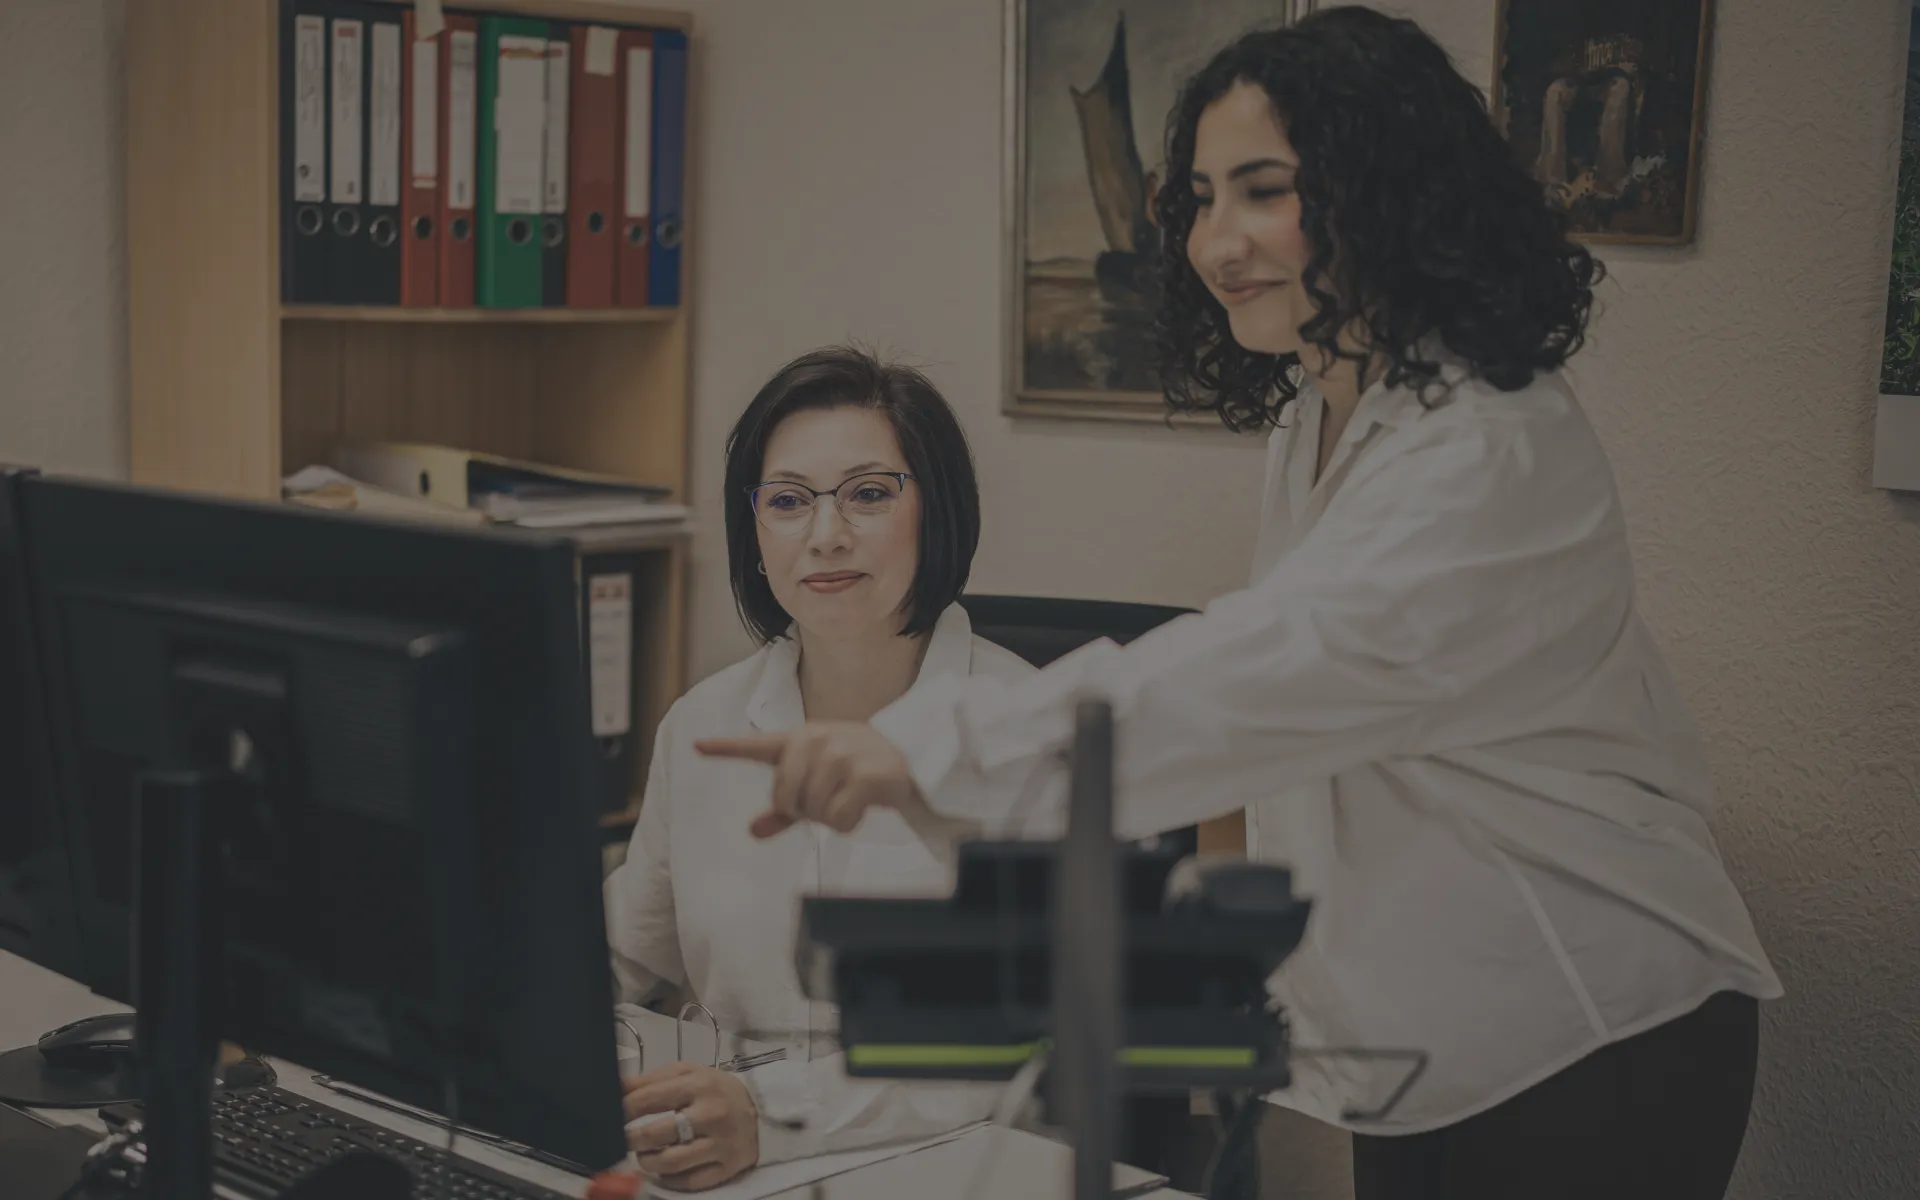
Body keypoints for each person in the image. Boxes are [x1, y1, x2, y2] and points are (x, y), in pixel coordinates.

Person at [698, 9, 1783, 1200]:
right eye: (1201, 198)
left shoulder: (1487, 451)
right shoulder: (1321, 411)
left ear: (1385, 185)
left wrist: (917, 750)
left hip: (1590, 1029)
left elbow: (1262, 672)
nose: (1219, 240)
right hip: (1446, 1032)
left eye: (1263, 190)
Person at [601, 346, 1033, 1191]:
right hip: (727, 1171)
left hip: (963, 1172)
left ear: (935, 511)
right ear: (755, 532)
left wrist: (772, 1116)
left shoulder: (1027, 730)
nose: (825, 534)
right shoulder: (704, 725)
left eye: (869, 494)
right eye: (789, 502)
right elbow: (625, 952)